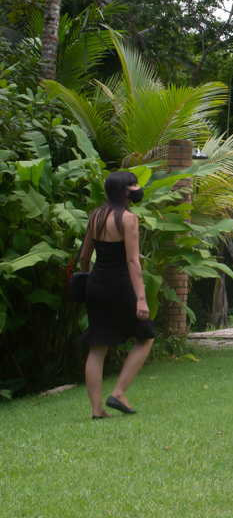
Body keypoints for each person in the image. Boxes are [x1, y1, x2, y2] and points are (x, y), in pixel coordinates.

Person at [77, 171, 155, 420]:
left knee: (97, 346)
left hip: (96, 285)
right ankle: (119, 393)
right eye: (133, 185)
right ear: (123, 190)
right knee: (146, 336)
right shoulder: (128, 218)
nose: (137, 187)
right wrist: (141, 299)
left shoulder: (96, 216)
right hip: (120, 285)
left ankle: (97, 410)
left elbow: (84, 258)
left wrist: (91, 280)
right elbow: (133, 262)